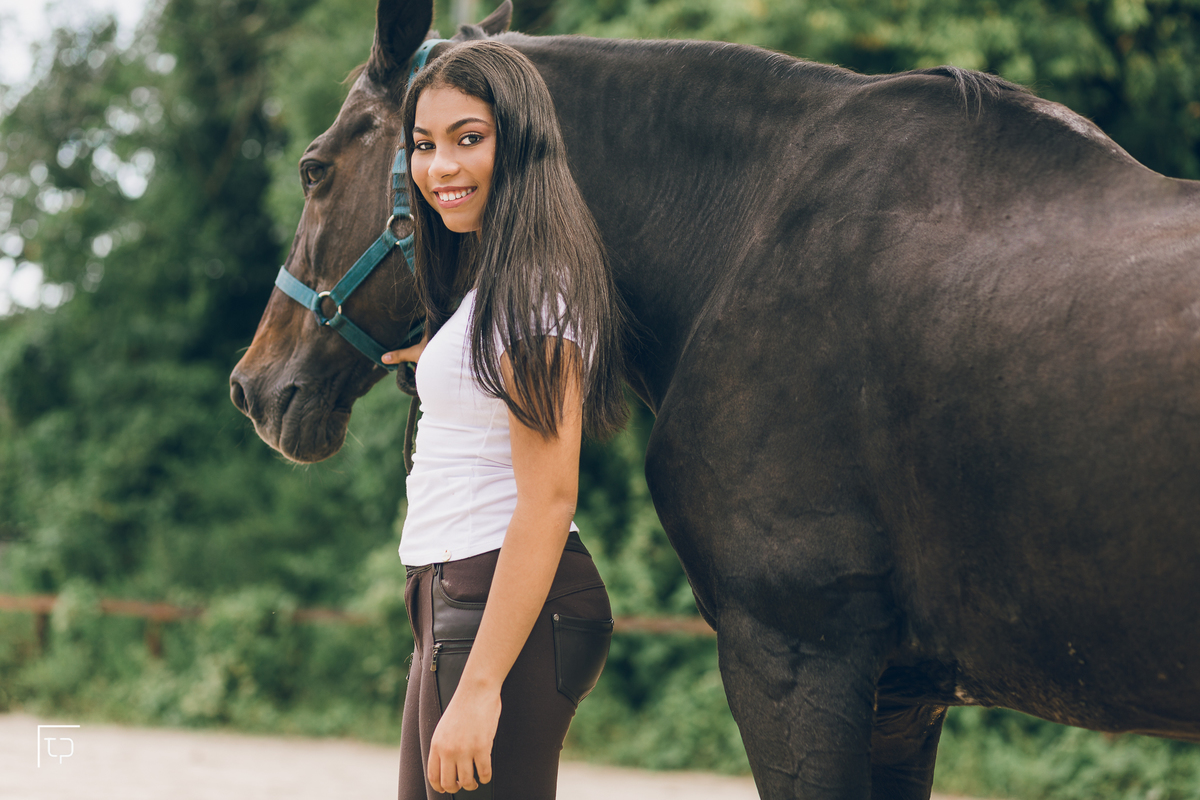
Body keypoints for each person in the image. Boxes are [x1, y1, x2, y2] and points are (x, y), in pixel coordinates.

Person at [379, 40, 628, 800]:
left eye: (468, 139)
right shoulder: (495, 287)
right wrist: (434, 362)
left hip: (504, 600)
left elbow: (550, 499)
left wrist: (483, 686)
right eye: (424, 145)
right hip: (457, 598)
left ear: (518, 142)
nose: (440, 168)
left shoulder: (533, 295)